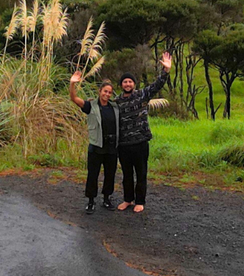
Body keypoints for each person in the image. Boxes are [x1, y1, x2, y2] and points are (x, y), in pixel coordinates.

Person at [112, 51, 174, 213]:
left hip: (140, 143)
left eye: (130, 81)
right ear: (121, 85)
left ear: (134, 84)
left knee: (141, 173)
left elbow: (157, 85)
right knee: (126, 175)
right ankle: (128, 200)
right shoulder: (117, 102)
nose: (127, 84)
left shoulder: (142, 96)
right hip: (124, 145)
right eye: (125, 82)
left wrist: (166, 71)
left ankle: (140, 201)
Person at [68, 71, 118, 213]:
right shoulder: (91, 106)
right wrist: (72, 84)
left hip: (111, 147)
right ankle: (91, 201)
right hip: (96, 146)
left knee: (110, 174)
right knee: (93, 174)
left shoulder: (115, 107)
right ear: (100, 91)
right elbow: (74, 98)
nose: (107, 94)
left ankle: (107, 199)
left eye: (109, 92)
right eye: (105, 91)